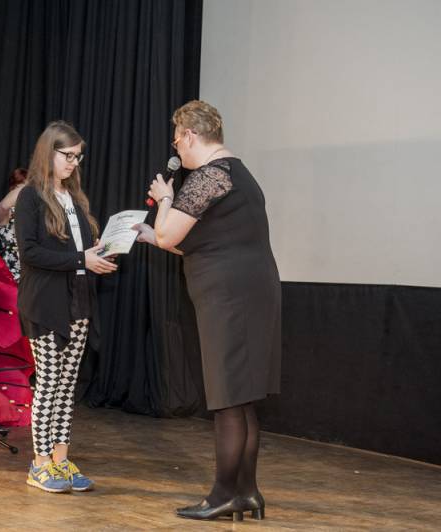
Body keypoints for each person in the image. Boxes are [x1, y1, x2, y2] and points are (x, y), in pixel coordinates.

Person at [134, 100, 281, 521]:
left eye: (177, 139)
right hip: (250, 291)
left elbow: (169, 235)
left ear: (190, 135)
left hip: (229, 297)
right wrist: (151, 235)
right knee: (242, 399)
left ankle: (222, 495)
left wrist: (165, 198)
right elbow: (202, 242)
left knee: (228, 400)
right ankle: (247, 493)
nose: (176, 147)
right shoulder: (237, 173)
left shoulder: (208, 176)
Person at [14, 120, 117, 493]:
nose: (74, 163)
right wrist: (81, 259)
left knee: (67, 385)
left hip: (79, 301)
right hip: (45, 304)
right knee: (48, 383)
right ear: (49, 153)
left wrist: (101, 251)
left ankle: (61, 459)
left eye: (78, 157)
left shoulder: (75, 199)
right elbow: (30, 252)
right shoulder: (30, 197)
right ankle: (40, 464)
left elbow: (79, 251)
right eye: (68, 155)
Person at [0, 167, 28, 281]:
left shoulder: (31, 211)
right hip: (12, 272)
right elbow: (3, 206)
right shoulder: (1, 208)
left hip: (32, 270)